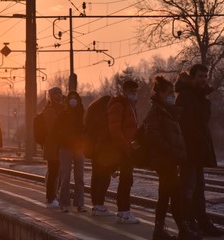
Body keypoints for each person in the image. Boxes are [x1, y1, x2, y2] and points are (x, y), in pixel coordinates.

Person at [144, 76, 201, 240]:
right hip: (164, 160)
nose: (172, 96)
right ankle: (181, 230)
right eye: (169, 93)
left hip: (169, 160)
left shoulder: (167, 111)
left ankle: (161, 230)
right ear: (160, 93)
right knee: (174, 194)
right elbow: (152, 135)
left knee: (166, 194)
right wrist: (169, 149)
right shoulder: (156, 111)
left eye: (172, 93)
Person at [175, 64, 224, 237]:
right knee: (189, 188)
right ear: (193, 77)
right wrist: (198, 140)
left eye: (205, 76)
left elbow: (202, 121)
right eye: (200, 77)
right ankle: (188, 223)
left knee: (198, 188)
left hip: (197, 149)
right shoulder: (186, 96)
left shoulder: (198, 96)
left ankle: (201, 222)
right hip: (189, 150)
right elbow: (186, 124)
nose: (204, 80)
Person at [108, 80, 140, 224]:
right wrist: (126, 146)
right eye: (132, 90)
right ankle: (123, 212)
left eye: (135, 90)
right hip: (123, 149)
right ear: (125, 90)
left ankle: (123, 212)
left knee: (127, 180)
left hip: (128, 148)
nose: (134, 93)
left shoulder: (130, 106)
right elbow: (115, 129)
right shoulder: (119, 105)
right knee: (126, 180)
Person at [54, 91, 86, 213]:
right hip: (65, 147)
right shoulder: (63, 115)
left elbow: (86, 129)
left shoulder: (82, 114)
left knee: (80, 177)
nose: (73, 101)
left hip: (78, 147)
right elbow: (57, 131)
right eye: (71, 98)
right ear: (68, 101)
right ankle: (64, 203)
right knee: (65, 176)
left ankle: (80, 204)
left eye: (75, 98)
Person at [86, 95, 116, 216]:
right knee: (104, 177)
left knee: (96, 176)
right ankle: (100, 205)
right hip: (103, 149)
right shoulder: (105, 117)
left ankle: (96, 205)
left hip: (94, 148)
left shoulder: (91, 111)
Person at [42, 87, 64, 208]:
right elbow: (53, 129)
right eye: (56, 94)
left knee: (57, 172)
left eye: (60, 93)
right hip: (52, 146)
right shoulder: (50, 111)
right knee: (53, 172)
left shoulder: (60, 109)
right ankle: (51, 198)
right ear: (51, 96)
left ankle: (55, 195)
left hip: (59, 146)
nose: (59, 96)